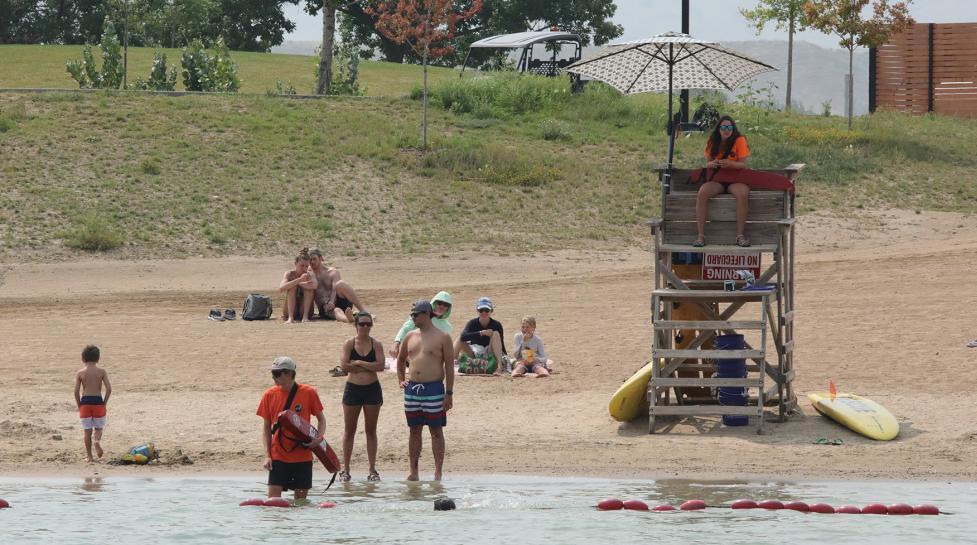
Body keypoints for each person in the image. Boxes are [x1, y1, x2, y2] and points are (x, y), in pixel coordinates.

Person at [396, 300, 454, 481]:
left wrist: (449, 393)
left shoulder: (443, 337)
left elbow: (450, 367)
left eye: (416, 314)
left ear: (427, 314)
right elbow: (400, 360)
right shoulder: (410, 336)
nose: (412, 317)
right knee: (414, 430)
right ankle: (414, 471)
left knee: (436, 430)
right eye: (411, 314)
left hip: (434, 389)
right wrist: (401, 380)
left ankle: (438, 472)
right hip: (413, 389)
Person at [256, 356, 326, 501]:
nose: (273, 377)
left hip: (303, 456)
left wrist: (318, 439)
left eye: (276, 374)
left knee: (300, 504)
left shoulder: (308, 392)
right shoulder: (269, 395)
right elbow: (266, 429)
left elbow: (321, 419)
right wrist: (267, 456)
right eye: (272, 374)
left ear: (288, 373)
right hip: (278, 456)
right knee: (273, 503)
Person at [338, 312, 385, 482]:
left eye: (368, 324)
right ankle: (346, 469)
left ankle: (372, 470)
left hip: (372, 389)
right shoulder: (349, 344)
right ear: (356, 325)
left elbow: (380, 366)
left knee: (371, 430)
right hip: (353, 389)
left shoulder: (376, 344)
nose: (365, 327)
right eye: (362, 324)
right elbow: (344, 365)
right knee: (349, 431)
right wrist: (366, 367)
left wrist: (359, 363)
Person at [694, 115, 751, 248]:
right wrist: (712, 164)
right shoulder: (712, 140)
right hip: (718, 179)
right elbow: (708, 163)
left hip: (735, 178)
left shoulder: (739, 140)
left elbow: (743, 165)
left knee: (742, 194)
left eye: (730, 127)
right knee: (702, 192)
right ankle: (700, 236)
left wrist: (730, 164)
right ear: (719, 129)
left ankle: (740, 236)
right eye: (724, 127)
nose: (727, 130)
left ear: (733, 129)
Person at [308, 248, 369, 323]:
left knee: (341, 284)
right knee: (337, 310)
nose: (312, 262)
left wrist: (332, 302)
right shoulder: (309, 274)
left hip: (338, 300)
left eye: (314, 259)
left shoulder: (332, 272)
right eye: (310, 260)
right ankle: (348, 319)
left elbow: (334, 290)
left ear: (321, 258)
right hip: (325, 307)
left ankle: (365, 312)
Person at [74, 345, 111, 463]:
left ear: (83, 359)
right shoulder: (102, 372)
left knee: (87, 431)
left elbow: (76, 391)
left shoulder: (80, 373)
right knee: (99, 428)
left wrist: (79, 405)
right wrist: (104, 403)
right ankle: (97, 442)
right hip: (98, 402)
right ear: (98, 359)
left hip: (85, 403)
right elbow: (109, 389)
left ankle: (89, 457)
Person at [389, 291, 453, 358]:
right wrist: (396, 344)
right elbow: (405, 329)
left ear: (448, 308)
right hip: (412, 353)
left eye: (446, 305)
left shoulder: (448, 327)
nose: (442, 307)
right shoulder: (421, 315)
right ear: (434, 303)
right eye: (439, 303)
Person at [456, 297, 508, 375]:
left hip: (489, 354)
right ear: (477, 310)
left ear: (491, 311)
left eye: (486, 310)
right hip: (474, 354)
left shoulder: (497, 324)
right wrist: (481, 333)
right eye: (481, 310)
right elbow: (463, 337)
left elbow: (501, 343)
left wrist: (505, 356)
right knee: (459, 338)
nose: (484, 313)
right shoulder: (472, 323)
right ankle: (447, 364)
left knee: (496, 334)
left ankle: (499, 368)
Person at [279, 248, 318, 324]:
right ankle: (290, 318)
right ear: (295, 264)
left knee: (309, 287)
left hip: (304, 309)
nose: (304, 268)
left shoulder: (309, 274)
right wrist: (299, 280)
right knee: (291, 287)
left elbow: (315, 286)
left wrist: (301, 283)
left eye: (306, 266)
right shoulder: (289, 274)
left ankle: (305, 317)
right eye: (301, 266)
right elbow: (281, 288)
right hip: (290, 309)